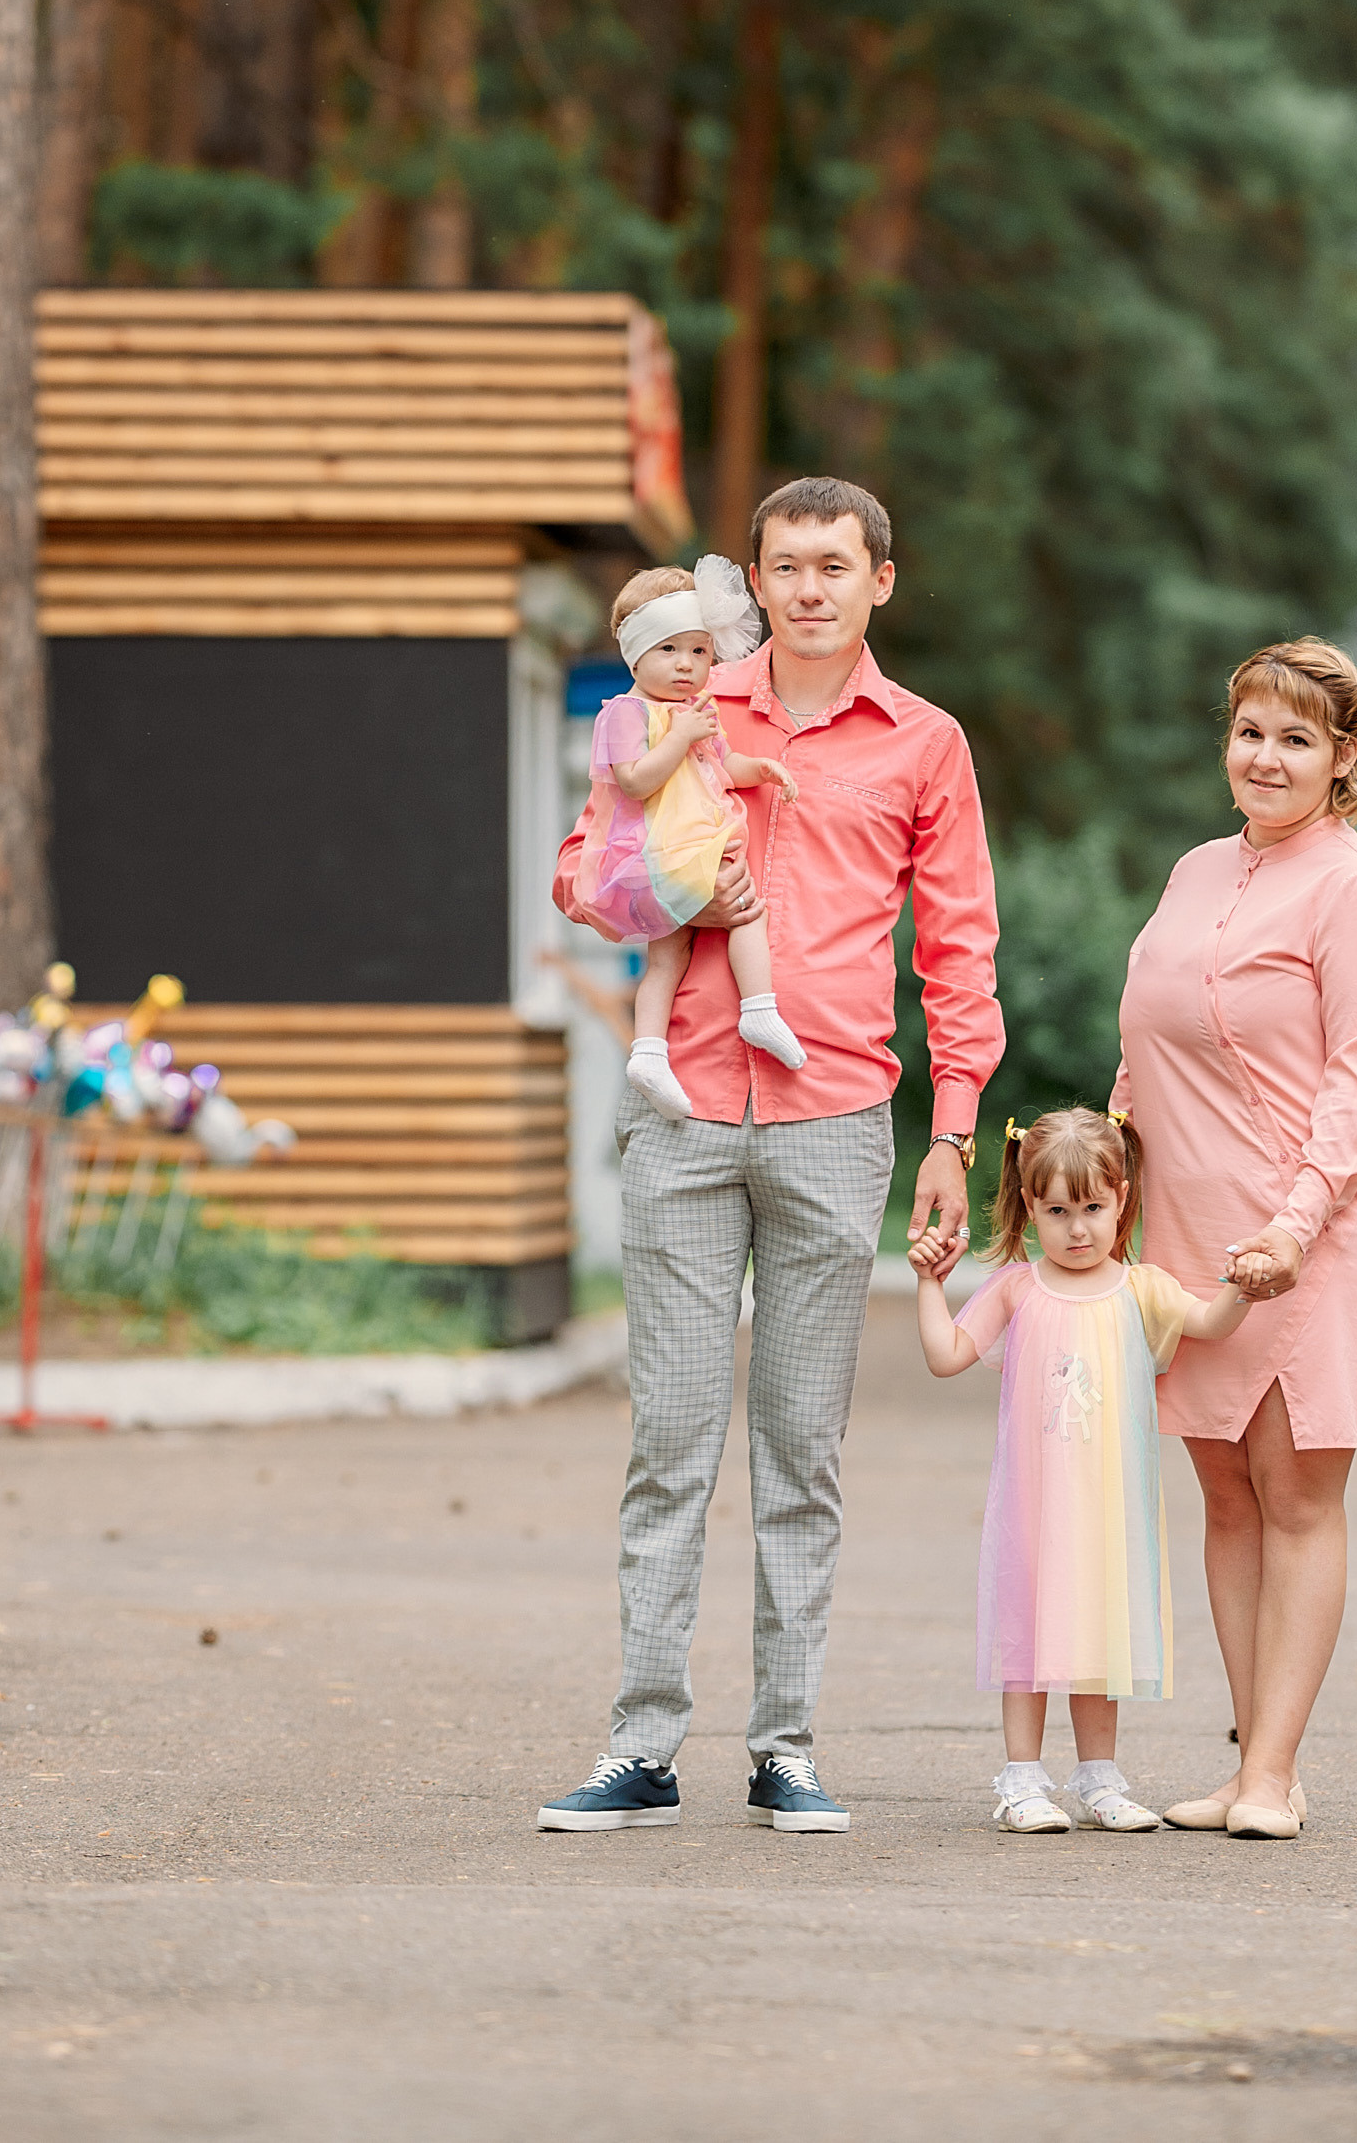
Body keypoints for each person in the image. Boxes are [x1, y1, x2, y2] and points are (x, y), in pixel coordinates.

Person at [539, 474, 1003, 1839]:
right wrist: (654, 887)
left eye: (833, 565)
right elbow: (580, 868)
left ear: (879, 581)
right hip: (680, 1110)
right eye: (784, 565)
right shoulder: (678, 706)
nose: (808, 587)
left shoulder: (924, 744)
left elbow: (958, 950)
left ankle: (785, 1746)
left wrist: (955, 1132)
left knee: (802, 1452)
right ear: (752, 580)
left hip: (836, 1122)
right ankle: (641, 1744)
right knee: (670, 1445)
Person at [1111, 637, 1357, 1843]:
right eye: (1250, 729)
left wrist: (1296, 1225)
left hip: (1317, 1223)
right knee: (1225, 1494)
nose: (1266, 755)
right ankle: (1246, 1759)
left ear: (1343, 758)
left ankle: (1274, 1773)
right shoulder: (1194, 870)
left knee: (1296, 1490)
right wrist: (1108, 1169)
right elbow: (1148, 1038)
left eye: (1297, 737)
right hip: (1193, 1230)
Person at [910, 1105, 1248, 1835]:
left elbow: (1209, 1323)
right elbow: (946, 1357)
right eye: (1057, 1210)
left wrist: (1244, 1288)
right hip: (1034, 1511)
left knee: (1099, 1636)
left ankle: (1099, 1779)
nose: (1077, 1228)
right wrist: (930, 1286)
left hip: (1107, 1511)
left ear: (1121, 1197)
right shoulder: (1015, 1288)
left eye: (1093, 1207)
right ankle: (1022, 1779)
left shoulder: (1140, 1289)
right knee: (1028, 1639)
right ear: (1030, 1204)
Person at [569, 555, 804, 1118]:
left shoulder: (694, 713)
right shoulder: (626, 713)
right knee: (747, 907)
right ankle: (759, 1005)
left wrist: (761, 768)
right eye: (668, 650)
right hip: (658, 851)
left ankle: (648, 1051)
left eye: (699, 651)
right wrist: (681, 736)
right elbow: (634, 781)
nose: (686, 666)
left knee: (668, 957)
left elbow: (724, 763)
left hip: (681, 847)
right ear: (635, 654)